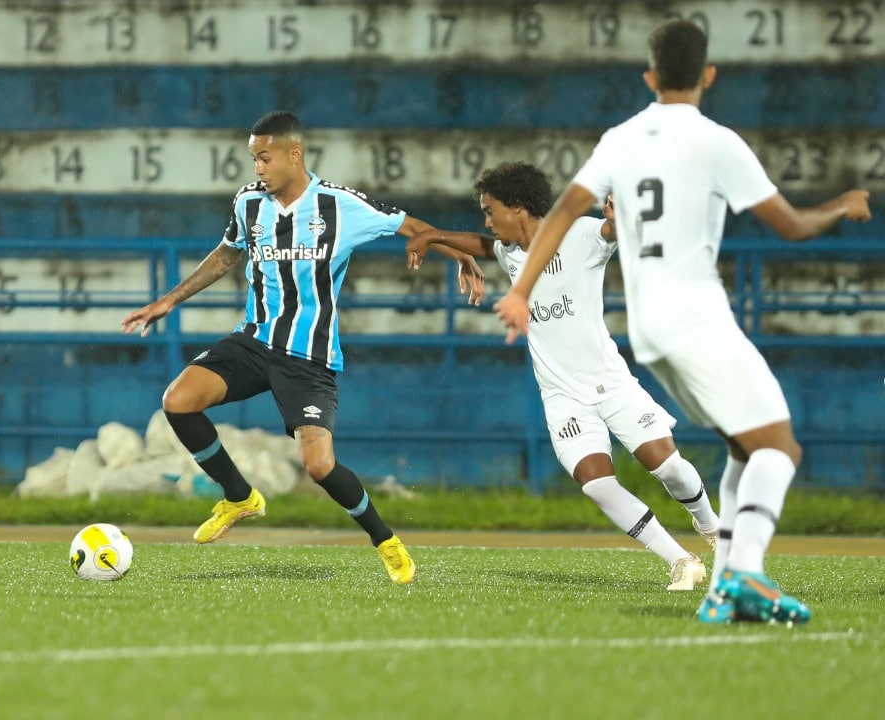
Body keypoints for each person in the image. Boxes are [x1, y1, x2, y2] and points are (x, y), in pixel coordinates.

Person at [493, 20, 871, 623]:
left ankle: (721, 580)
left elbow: (565, 210)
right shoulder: (717, 142)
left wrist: (518, 291)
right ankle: (744, 576)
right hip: (698, 316)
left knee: (743, 448)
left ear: (649, 76)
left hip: (649, 332)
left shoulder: (620, 139)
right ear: (709, 76)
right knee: (780, 447)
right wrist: (841, 206)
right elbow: (793, 226)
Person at [121, 110, 484, 584]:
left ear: (295, 154)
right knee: (178, 401)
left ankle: (386, 541)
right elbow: (230, 251)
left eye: (265, 158)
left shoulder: (339, 205)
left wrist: (458, 255)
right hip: (254, 340)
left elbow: (410, 226)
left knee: (318, 466)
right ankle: (239, 496)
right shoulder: (249, 203)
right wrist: (168, 299)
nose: (258, 169)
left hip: (307, 357)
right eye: (254, 159)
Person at [407, 161, 719, 590]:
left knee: (668, 468)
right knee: (596, 484)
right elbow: (481, 244)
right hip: (563, 397)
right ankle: (681, 560)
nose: (487, 219)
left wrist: (618, 219)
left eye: (490, 209)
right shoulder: (510, 251)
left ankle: (712, 528)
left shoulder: (579, 234)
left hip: (610, 384)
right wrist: (432, 235)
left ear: (518, 208)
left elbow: (610, 233)